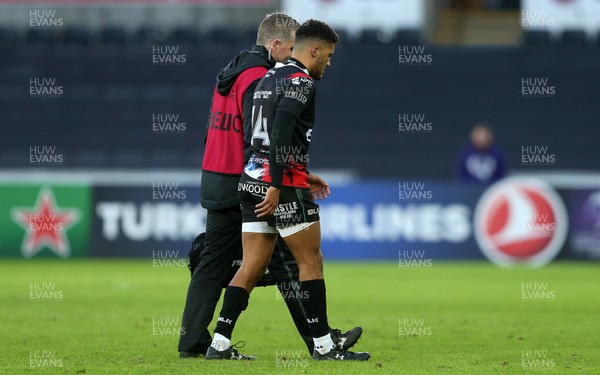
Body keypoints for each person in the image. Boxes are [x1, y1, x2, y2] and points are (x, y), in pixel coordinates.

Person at [179, 13, 362, 359]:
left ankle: (212, 343)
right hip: (273, 183)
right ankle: (322, 344)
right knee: (305, 264)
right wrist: (279, 180)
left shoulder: (255, 77)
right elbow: (276, 134)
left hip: (239, 177)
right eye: (328, 55)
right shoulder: (292, 81)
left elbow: (253, 135)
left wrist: (267, 173)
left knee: (243, 265)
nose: (328, 62)